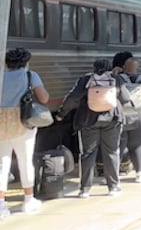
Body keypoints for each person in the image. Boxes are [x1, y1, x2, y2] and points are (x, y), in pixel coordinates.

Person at [58, 58, 131, 197]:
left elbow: (73, 98)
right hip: (112, 119)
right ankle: (113, 187)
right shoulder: (116, 79)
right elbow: (126, 98)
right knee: (111, 152)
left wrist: (62, 113)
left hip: (88, 121)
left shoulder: (85, 80)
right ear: (109, 67)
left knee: (87, 154)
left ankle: (84, 189)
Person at [1, 48, 50, 216]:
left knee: (2, 164)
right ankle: (28, 201)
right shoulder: (30, 75)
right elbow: (44, 98)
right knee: (25, 161)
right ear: (25, 62)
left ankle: (1, 204)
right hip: (23, 122)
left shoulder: (1, 75)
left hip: (2, 122)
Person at [113, 52, 141, 183]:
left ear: (124, 67)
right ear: (137, 67)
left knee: (119, 145)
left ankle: (115, 175)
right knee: (137, 145)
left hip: (122, 115)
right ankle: (140, 174)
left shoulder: (117, 78)